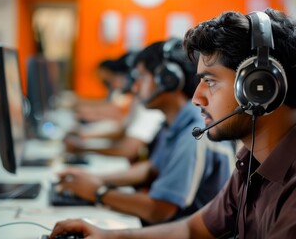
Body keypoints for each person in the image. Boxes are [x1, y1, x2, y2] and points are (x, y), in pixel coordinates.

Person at [48, 8, 296, 239]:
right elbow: (192, 230)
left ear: (259, 88)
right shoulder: (252, 160)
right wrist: (106, 235)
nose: (196, 98)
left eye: (209, 82)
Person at [55, 38, 233, 225]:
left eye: (141, 78)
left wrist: (98, 192)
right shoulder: (173, 122)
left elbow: (160, 210)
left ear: (168, 80)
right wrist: (93, 179)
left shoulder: (195, 132)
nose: (135, 87)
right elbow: (151, 168)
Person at [65, 52, 165, 162]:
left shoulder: (150, 106)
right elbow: (123, 131)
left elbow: (128, 150)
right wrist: (85, 136)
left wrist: (85, 149)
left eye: (140, 78)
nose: (135, 85)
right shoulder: (138, 101)